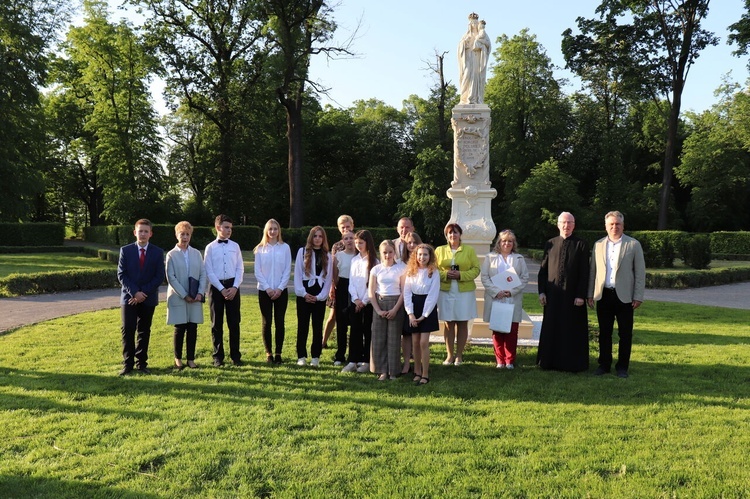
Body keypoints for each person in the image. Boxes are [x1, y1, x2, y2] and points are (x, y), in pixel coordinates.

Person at [587, 211, 646, 378]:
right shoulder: (598, 245)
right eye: (611, 224)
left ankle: (622, 367)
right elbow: (593, 271)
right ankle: (604, 365)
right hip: (603, 295)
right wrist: (590, 294)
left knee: (625, 334)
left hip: (625, 297)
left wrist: (638, 296)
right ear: (606, 226)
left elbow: (640, 273)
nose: (614, 227)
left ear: (623, 225)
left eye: (617, 224)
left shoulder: (633, 245)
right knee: (604, 332)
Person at [537, 212, 590, 373]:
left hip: (573, 297)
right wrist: (542, 292)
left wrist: (581, 295)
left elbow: (584, 272)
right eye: (563, 222)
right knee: (552, 327)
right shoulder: (550, 243)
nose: (566, 226)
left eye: (569, 223)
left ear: (574, 225)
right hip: (552, 296)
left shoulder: (581, 244)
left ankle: (571, 363)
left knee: (571, 329)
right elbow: (543, 271)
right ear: (558, 224)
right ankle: (548, 361)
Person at [117, 219, 165, 375]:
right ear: (135, 232)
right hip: (129, 297)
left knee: (144, 331)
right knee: (128, 329)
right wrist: (134, 292)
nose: (143, 234)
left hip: (148, 297)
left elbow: (159, 277)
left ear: (150, 234)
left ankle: (141, 363)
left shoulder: (157, 252)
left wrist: (143, 293)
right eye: (140, 231)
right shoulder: (126, 250)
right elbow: (122, 274)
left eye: (146, 231)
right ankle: (128, 364)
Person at [480, 229, 529, 370]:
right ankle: (500, 360)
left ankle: (510, 360)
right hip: (496, 298)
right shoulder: (490, 257)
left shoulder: (519, 258)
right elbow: (485, 277)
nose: (506, 243)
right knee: (498, 330)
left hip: (511, 298)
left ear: (513, 243)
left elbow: (525, 277)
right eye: (504, 241)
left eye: (510, 241)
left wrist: (511, 291)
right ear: (499, 242)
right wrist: (496, 292)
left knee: (512, 331)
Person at [435, 223, 480, 366]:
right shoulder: (439, 250)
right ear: (446, 236)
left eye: (455, 233)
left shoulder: (469, 250)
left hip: (464, 292)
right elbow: (433, 269)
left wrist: (461, 275)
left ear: (460, 235)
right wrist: (445, 274)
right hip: (446, 291)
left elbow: (476, 269)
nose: (453, 235)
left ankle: (459, 355)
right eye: (450, 233)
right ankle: (449, 355)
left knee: (462, 322)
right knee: (448, 323)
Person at [204, 214, 244, 367]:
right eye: (226, 227)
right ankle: (218, 356)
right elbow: (209, 270)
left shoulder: (235, 246)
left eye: (230, 228)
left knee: (234, 322)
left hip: (233, 287)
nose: (229, 230)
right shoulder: (210, 248)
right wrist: (221, 289)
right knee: (216, 323)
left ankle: (236, 356)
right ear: (218, 227)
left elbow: (240, 268)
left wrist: (234, 287)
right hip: (216, 288)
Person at [166, 221, 206, 370]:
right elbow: (171, 277)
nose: (185, 237)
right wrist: (184, 295)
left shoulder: (196, 253)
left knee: (192, 327)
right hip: (179, 297)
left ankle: (191, 359)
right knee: (180, 327)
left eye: (187, 234)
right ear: (177, 235)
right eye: (182, 234)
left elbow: (203, 274)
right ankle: (178, 358)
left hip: (195, 297)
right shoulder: (171, 254)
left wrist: (200, 293)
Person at [294, 226, 333, 367]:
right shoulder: (302, 252)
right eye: (315, 236)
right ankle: (301, 356)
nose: (317, 239)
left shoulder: (327, 255)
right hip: (304, 293)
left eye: (320, 236)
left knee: (317, 326)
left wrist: (321, 296)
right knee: (302, 326)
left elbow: (328, 278)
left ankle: (315, 356)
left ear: (323, 239)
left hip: (319, 294)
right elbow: (298, 274)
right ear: (311, 237)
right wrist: (303, 293)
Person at [254, 219, 292, 365]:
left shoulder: (285, 248)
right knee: (266, 322)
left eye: (275, 229)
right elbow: (257, 271)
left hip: (281, 291)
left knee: (280, 322)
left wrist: (280, 288)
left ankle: (278, 353)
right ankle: (268, 353)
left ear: (279, 230)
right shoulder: (260, 249)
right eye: (270, 229)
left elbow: (287, 270)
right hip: (265, 291)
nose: (273, 231)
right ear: (266, 231)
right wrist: (268, 288)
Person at [341, 230, 378, 373]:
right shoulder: (355, 260)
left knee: (367, 331)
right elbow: (352, 282)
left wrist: (363, 300)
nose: (358, 245)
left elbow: (373, 285)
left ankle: (366, 360)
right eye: (356, 243)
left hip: (368, 302)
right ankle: (353, 360)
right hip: (355, 301)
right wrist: (356, 299)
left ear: (367, 243)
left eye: (360, 243)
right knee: (355, 330)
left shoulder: (374, 261)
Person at [369, 240, 407, 381]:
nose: (388, 255)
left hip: (396, 303)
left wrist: (395, 309)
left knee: (393, 339)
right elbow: (371, 292)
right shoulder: (376, 269)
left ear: (394, 252)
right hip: (379, 304)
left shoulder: (401, 268)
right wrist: (378, 310)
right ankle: (381, 370)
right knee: (379, 338)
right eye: (385, 252)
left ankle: (393, 371)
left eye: (390, 252)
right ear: (381, 252)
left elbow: (404, 291)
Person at [404, 244, 440, 385]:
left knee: (423, 342)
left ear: (430, 256)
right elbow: (407, 293)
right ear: (415, 256)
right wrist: (411, 314)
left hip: (427, 308)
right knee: (415, 342)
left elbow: (433, 295)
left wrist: (424, 315)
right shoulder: (411, 271)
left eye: (425, 254)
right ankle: (417, 371)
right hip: (414, 306)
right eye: (419, 254)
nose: (422, 257)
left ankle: (425, 373)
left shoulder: (433, 272)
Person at [323, 214, 354, 348]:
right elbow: (333, 268)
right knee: (333, 315)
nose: (346, 229)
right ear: (339, 228)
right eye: (343, 227)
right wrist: (331, 287)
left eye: (348, 226)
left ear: (352, 226)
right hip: (338, 285)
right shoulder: (337, 246)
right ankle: (323, 341)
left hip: (353, 284)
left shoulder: (357, 242)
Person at [330, 231, 357, 366]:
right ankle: (340, 355)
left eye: (351, 238)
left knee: (355, 322)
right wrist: (337, 289)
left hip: (356, 289)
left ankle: (354, 355)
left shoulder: (359, 256)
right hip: (342, 288)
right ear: (342, 241)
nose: (349, 241)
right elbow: (335, 276)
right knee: (341, 323)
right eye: (346, 238)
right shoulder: (338, 256)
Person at [399, 231, 423, 374]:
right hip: (404, 300)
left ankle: (419, 364)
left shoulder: (423, 260)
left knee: (419, 334)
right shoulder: (401, 263)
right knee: (406, 334)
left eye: (414, 242)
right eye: (409, 243)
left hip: (420, 300)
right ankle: (406, 363)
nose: (412, 245)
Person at [458, 14, 491, 105]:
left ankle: (475, 98)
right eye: (472, 23)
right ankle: (464, 98)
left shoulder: (482, 33)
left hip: (477, 58)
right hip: (468, 57)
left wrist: (481, 43)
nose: (474, 25)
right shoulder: (466, 35)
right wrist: (465, 43)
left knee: (476, 76)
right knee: (467, 75)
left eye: (475, 23)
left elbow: (488, 46)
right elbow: (460, 47)